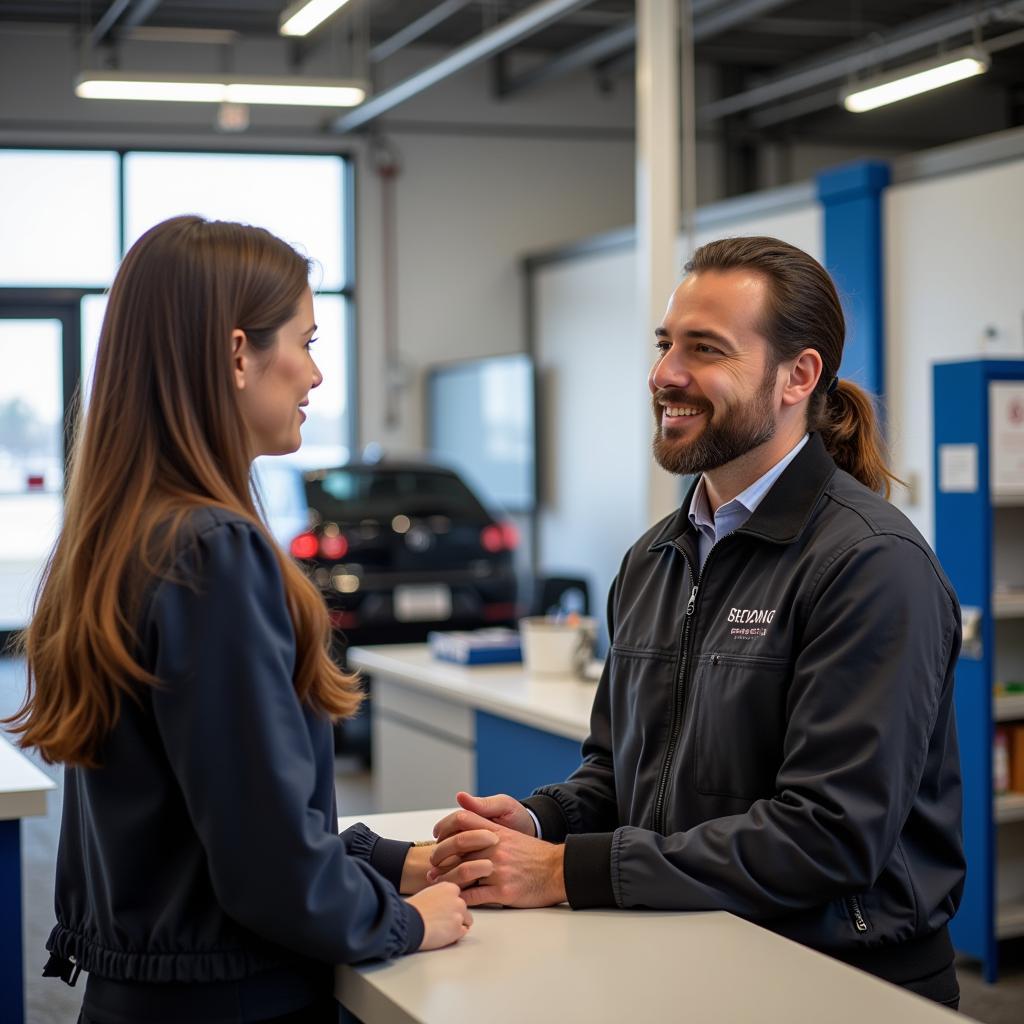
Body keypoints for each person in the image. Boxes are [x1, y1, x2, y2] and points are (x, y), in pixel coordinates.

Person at [427, 236, 965, 1009]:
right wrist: (542, 821)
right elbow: (620, 775)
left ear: (798, 376)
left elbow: (828, 837)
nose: (665, 375)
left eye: (705, 349)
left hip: (837, 983)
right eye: (665, 344)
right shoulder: (656, 558)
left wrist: (568, 871)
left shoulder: (870, 565)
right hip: (684, 955)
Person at [2, 215, 492, 1024]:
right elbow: (268, 866)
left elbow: (211, 813)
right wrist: (404, 921)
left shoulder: (122, 535)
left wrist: (394, 861)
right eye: (305, 341)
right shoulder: (211, 552)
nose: (315, 376)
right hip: (234, 1002)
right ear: (238, 355)